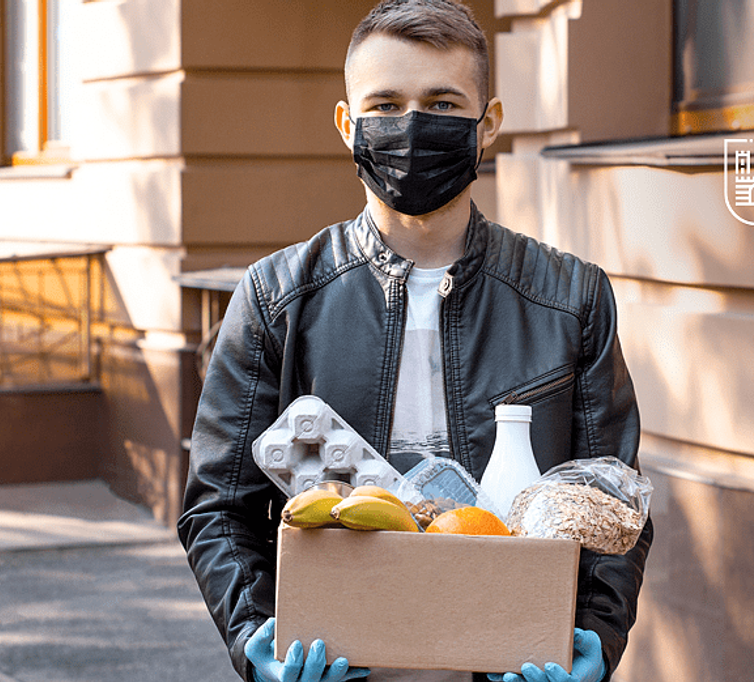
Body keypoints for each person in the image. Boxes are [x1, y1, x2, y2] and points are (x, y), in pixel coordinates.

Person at [177, 1, 653, 681]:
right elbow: (219, 506)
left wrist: (593, 643)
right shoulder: (276, 298)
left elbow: (612, 515)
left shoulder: (570, 299)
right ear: (349, 126)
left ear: (487, 124)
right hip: (337, 662)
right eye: (385, 103)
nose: (411, 126)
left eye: (441, 103)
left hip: (509, 663)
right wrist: (256, 637)